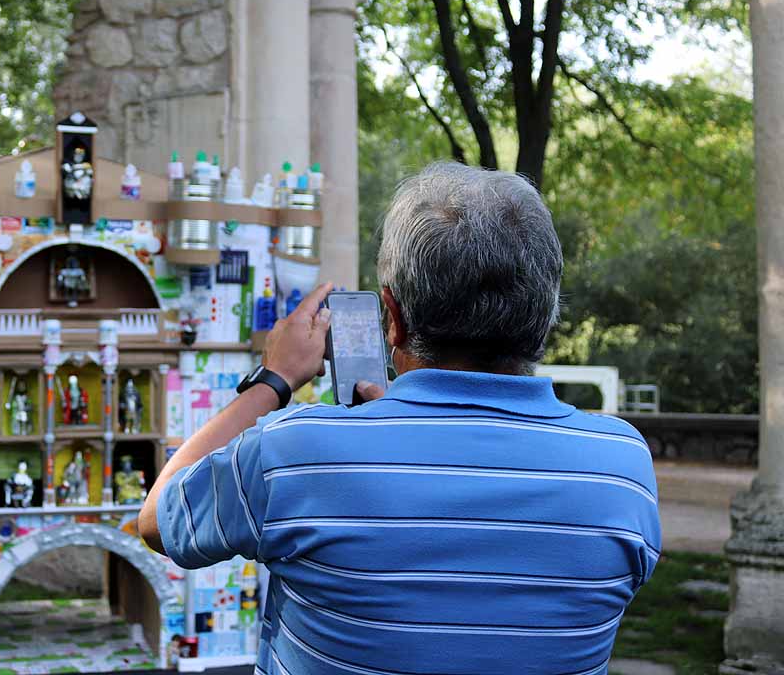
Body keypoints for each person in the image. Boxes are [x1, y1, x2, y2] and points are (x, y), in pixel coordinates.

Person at [139, 162, 660, 675]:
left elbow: (159, 518)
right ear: (545, 314)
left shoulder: (297, 455)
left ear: (393, 315)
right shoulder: (621, 468)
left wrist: (274, 379)